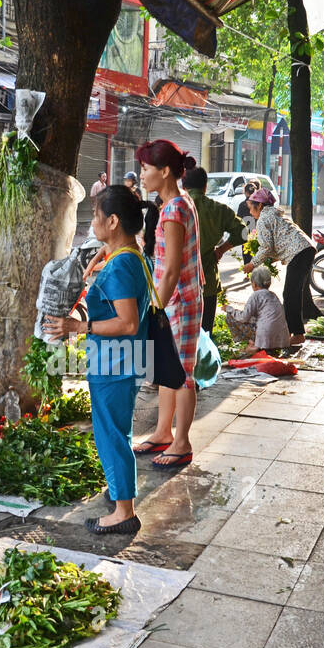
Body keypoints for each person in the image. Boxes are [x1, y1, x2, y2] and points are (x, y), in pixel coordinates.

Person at [44, 185, 149, 535]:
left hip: (115, 361)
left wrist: (79, 325)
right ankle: (120, 493)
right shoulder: (132, 255)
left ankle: (124, 513)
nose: (93, 223)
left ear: (114, 221)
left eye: (98, 218)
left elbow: (127, 321)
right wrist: (103, 256)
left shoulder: (120, 267)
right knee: (119, 428)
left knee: (110, 434)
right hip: (127, 358)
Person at [133, 139, 200, 470]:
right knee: (167, 371)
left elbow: (172, 268)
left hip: (179, 303)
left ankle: (182, 442)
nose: (142, 175)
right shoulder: (176, 203)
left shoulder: (174, 209)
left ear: (165, 171)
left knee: (183, 374)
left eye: (146, 169)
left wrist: (154, 311)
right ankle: (162, 431)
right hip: (174, 300)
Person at [242, 189, 322, 345]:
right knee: (292, 293)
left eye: (251, 208)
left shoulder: (264, 218)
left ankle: (297, 334)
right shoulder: (275, 213)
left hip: (299, 253)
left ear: (259, 206)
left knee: (290, 294)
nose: (251, 213)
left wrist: (252, 264)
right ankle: (289, 331)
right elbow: (275, 245)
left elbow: (265, 248)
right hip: (305, 250)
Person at [183, 165, 245, 331]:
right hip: (207, 281)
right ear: (205, 186)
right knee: (205, 332)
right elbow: (243, 232)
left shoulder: (172, 209)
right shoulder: (219, 209)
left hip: (179, 284)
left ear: (183, 186)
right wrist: (221, 249)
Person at [224, 267, 290, 355]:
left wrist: (229, 309)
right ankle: (257, 344)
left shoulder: (255, 295)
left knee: (230, 316)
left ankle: (250, 344)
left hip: (266, 336)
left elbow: (244, 317)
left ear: (254, 284)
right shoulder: (273, 295)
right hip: (282, 338)